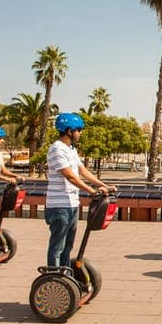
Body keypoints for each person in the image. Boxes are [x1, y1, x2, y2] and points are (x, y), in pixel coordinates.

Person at [45, 112, 113, 269]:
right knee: (58, 245)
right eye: (78, 130)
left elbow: (83, 172)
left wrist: (103, 186)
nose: (80, 133)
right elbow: (70, 176)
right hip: (59, 205)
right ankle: (54, 276)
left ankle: (65, 274)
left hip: (72, 203)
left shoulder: (71, 150)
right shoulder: (57, 149)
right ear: (69, 131)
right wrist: (91, 191)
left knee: (68, 246)